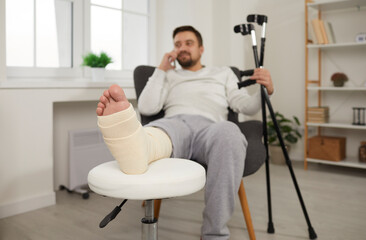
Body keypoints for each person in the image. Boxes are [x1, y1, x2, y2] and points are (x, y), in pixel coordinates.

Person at [96, 25, 273, 240]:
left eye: (188, 43)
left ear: (201, 48)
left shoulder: (222, 73)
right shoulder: (168, 76)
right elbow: (147, 108)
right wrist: (161, 70)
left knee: (229, 132)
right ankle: (139, 148)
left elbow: (245, 106)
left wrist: (265, 91)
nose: (182, 48)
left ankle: (214, 233)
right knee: (157, 132)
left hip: (211, 128)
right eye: (177, 44)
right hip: (175, 124)